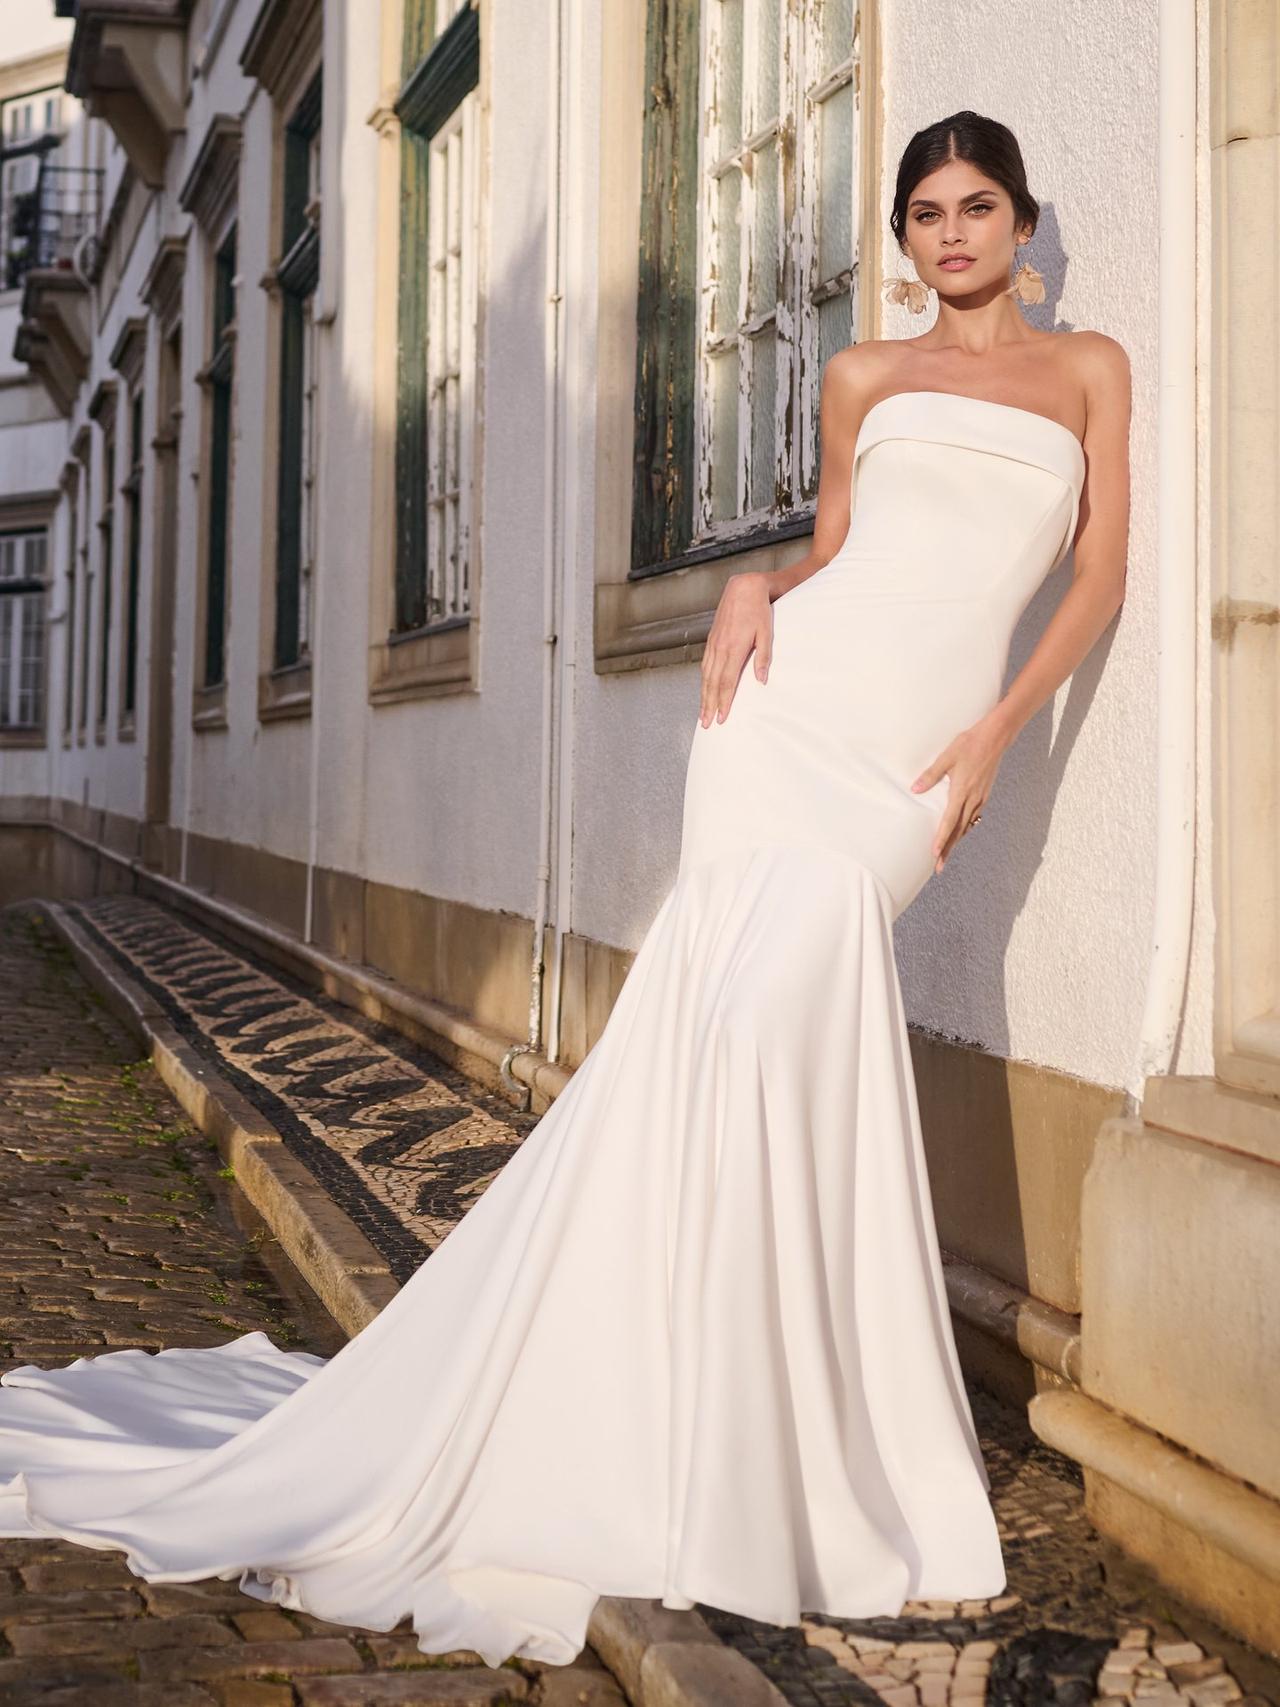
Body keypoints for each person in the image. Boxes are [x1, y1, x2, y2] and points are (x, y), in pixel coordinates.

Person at [0, 110, 1129, 1673]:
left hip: (914, 763)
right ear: (905, 234)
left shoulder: (1089, 372)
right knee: (721, 1045)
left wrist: (995, 739)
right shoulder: (866, 373)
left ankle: (796, 1430)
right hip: (784, 722)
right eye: (927, 212)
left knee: (789, 1039)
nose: (952, 236)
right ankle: (700, 1415)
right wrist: (752, 579)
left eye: (978, 208)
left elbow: (1100, 572)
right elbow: (837, 553)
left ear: (1018, 222)